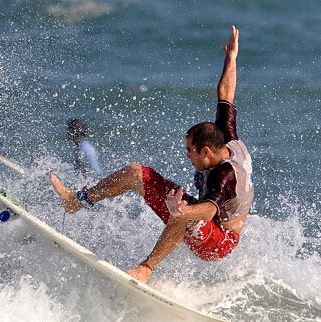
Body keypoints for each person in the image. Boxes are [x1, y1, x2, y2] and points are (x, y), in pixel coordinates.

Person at [49, 25, 253, 284]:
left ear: (206, 151)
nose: (187, 156)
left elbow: (209, 210)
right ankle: (76, 201)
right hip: (207, 223)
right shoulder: (227, 137)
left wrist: (182, 212)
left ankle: (146, 269)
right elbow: (226, 94)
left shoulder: (225, 175)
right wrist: (231, 58)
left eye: (190, 151)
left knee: (184, 211)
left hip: (220, 242)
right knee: (137, 172)